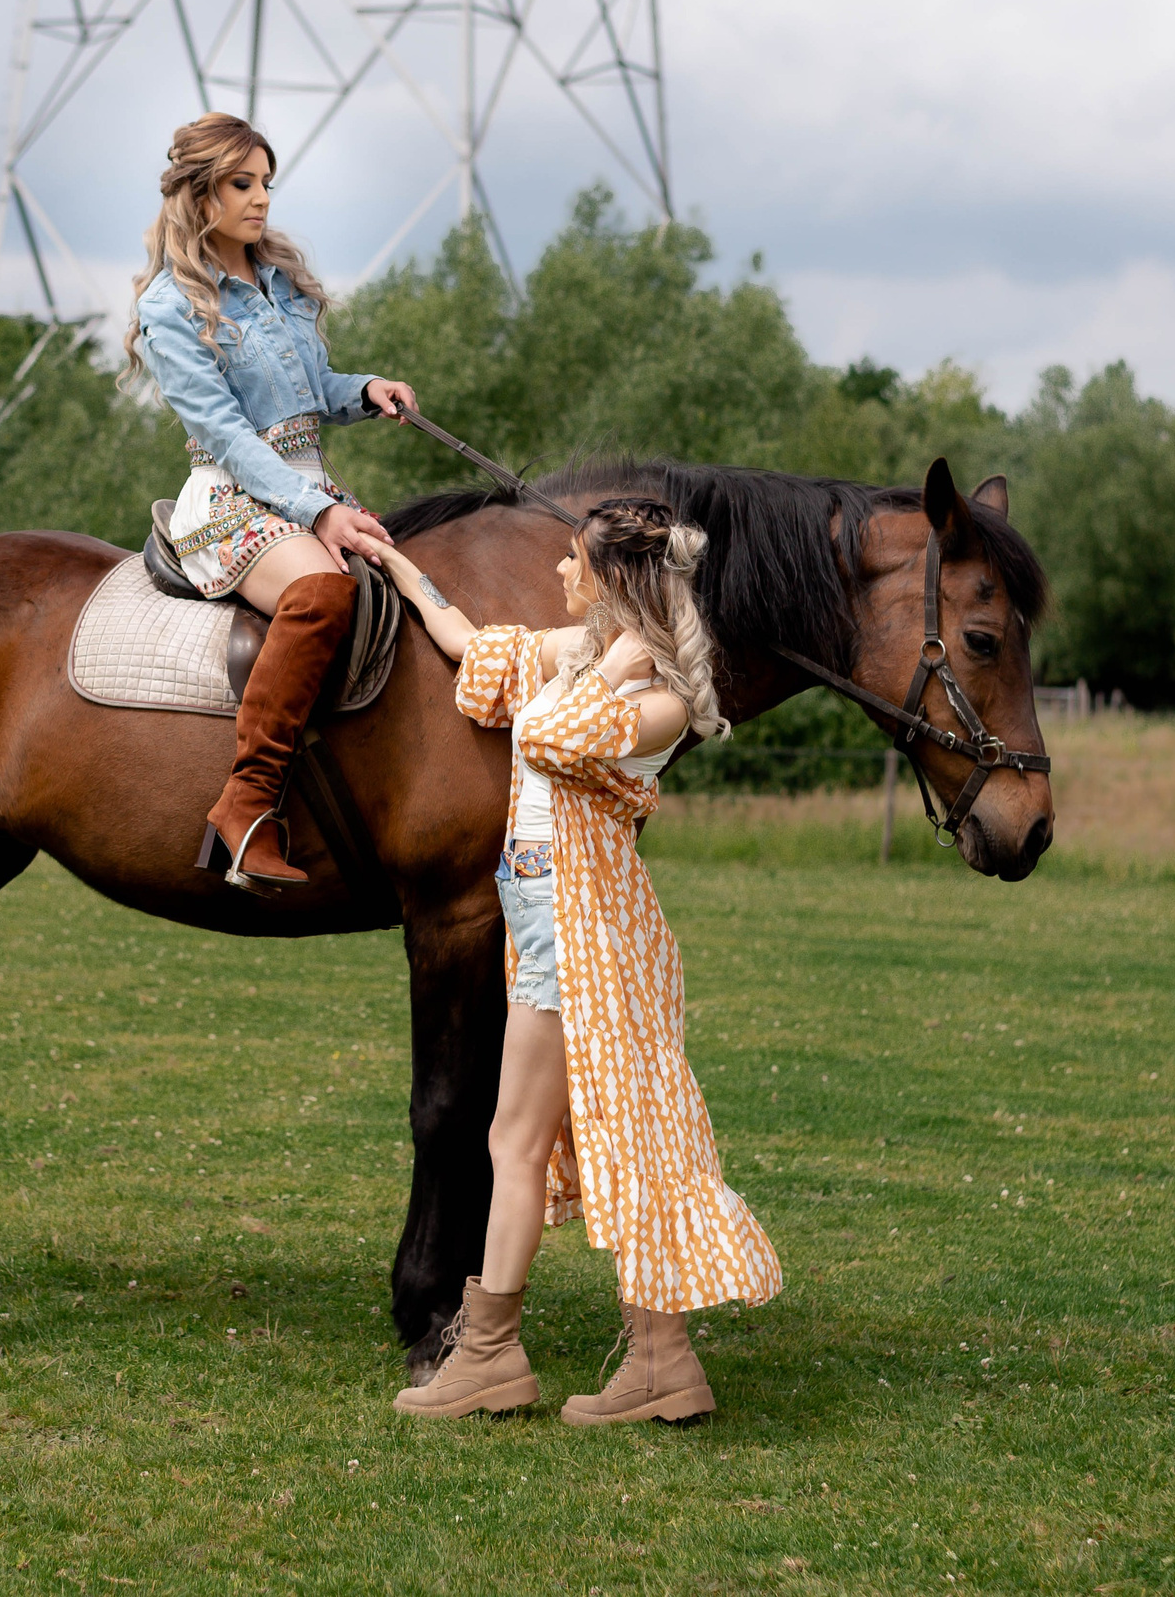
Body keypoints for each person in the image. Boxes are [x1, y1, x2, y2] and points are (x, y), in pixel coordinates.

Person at [371, 496, 783, 1424]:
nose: (559, 573)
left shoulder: (660, 701)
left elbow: (549, 738)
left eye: (573, 561)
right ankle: (657, 1363)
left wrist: (616, 663)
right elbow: (477, 650)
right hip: (551, 917)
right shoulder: (584, 654)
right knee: (604, 1137)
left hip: (583, 930)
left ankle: (491, 1355)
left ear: (614, 577)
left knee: (522, 1141)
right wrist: (400, 569)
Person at [123, 112, 420, 893]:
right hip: (231, 496)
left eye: (264, 184)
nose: (260, 200)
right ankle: (246, 804)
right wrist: (316, 512)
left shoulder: (278, 279)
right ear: (200, 194)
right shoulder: (168, 306)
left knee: (414, 592)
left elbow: (310, 393)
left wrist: (363, 390)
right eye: (241, 184)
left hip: (307, 486)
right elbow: (226, 433)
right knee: (321, 593)